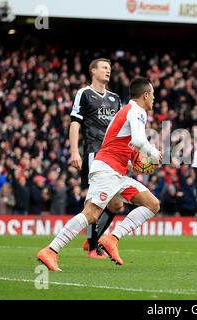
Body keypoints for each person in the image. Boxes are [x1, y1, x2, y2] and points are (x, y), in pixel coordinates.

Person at [37, 77, 162, 271]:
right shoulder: (137, 111)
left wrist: (131, 162)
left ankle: (112, 238)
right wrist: (154, 153)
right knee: (92, 214)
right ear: (145, 95)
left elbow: (118, 143)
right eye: (153, 95)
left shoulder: (127, 111)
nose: (154, 99)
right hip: (107, 171)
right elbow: (138, 141)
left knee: (152, 204)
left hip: (116, 172)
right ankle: (51, 250)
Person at [69, 58, 123, 258]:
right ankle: (93, 248)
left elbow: (121, 130)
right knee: (96, 201)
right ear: (93, 71)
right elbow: (75, 123)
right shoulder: (84, 94)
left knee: (116, 204)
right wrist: (75, 151)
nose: (108, 71)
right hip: (95, 152)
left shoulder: (115, 98)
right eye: (104, 67)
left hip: (115, 155)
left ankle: (93, 237)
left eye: (109, 68)